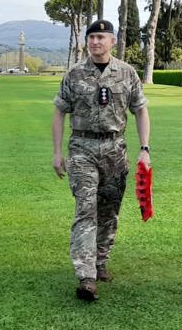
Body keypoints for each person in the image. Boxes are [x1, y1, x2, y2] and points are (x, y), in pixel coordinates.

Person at [52, 19, 150, 302]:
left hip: (115, 149)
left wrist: (145, 148)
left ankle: (100, 260)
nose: (96, 42)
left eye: (101, 37)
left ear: (113, 42)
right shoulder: (74, 74)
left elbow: (141, 111)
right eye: (92, 37)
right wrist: (58, 152)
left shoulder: (127, 73)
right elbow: (59, 111)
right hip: (82, 147)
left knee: (109, 211)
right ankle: (86, 275)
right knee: (86, 208)